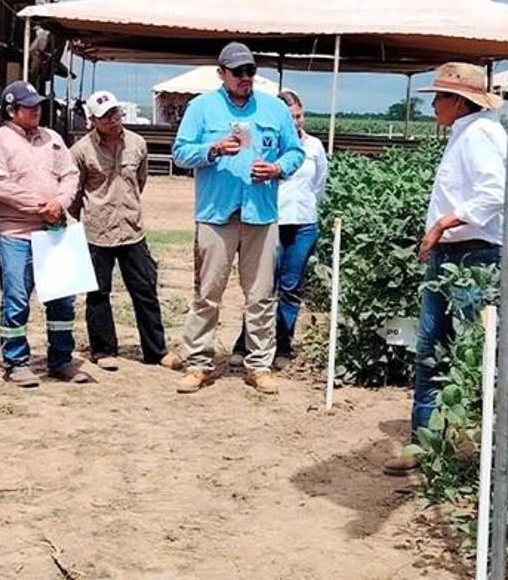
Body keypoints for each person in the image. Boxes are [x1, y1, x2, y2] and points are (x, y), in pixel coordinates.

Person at [383, 63, 505, 476]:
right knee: (433, 349)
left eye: (439, 97)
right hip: (452, 255)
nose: (433, 104)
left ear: (459, 101)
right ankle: (425, 442)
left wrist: (442, 224)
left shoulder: (481, 135)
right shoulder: (466, 133)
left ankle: (470, 448)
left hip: (472, 256)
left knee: (469, 351)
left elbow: (495, 193)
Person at [171, 42, 304, 395]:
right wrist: (212, 150)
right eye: (238, 72)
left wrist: (277, 168)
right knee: (207, 293)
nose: (246, 77)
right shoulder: (201, 108)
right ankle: (199, 362)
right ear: (221, 73)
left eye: (250, 70)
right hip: (216, 214)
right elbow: (180, 152)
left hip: (261, 215)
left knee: (261, 295)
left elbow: (295, 151)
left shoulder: (275, 109)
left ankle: (258, 365)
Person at [0, 81, 90, 387]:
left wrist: (60, 203)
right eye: (29, 106)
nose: (36, 111)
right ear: (11, 110)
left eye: (38, 105)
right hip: (15, 232)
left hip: (55, 229)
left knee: (63, 300)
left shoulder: (53, 139)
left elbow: (70, 175)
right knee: (16, 298)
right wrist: (40, 206)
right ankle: (16, 362)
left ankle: (61, 359)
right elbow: (1, 186)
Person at [69, 90, 181, 372]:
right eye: (106, 116)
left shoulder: (138, 143)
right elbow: (74, 193)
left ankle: (156, 351)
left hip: (132, 230)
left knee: (145, 289)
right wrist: (89, 215)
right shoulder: (81, 151)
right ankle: (103, 349)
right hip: (97, 231)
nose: (114, 119)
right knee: (98, 293)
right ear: (93, 120)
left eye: (116, 113)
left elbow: (139, 181)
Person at [230, 88, 328, 371]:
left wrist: (306, 206)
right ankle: (246, 344)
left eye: (298, 116)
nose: (295, 123)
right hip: (270, 222)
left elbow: (319, 183)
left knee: (290, 287)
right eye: (289, 118)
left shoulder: (314, 147)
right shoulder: (267, 145)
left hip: (303, 224)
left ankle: (283, 345)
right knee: (260, 288)